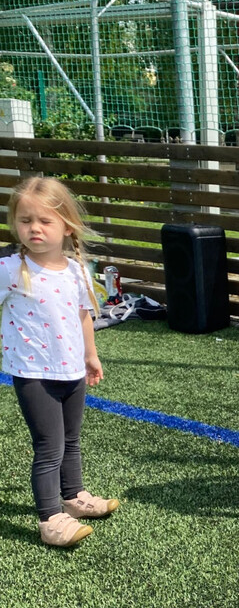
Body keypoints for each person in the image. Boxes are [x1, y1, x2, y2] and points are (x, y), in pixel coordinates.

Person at [1, 177, 120, 547]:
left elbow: (84, 316)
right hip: (33, 374)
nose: (34, 228)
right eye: (25, 220)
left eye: (45, 221)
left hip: (72, 371)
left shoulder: (76, 270)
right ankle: (50, 519)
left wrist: (90, 356)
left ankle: (74, 497)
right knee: (49, 446)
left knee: (71, 440)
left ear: (67, 226)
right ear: (15, 224)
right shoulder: (9, 269)